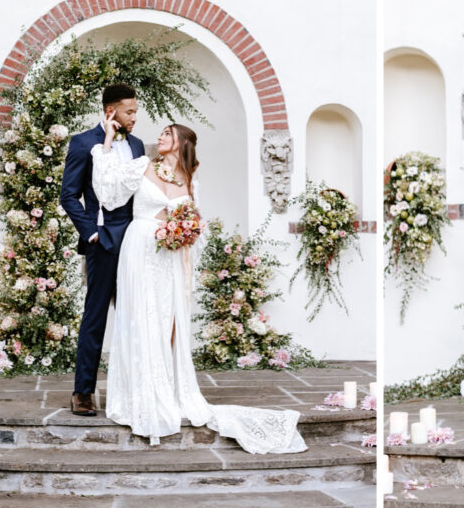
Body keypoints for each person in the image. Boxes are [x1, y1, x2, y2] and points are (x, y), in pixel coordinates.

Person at [90, 117, 306, 453]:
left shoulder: (190, 180)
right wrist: (105, 143)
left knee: (166, 321)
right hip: (140, 248)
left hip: (171, 257)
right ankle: (140, 396)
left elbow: (195, 225)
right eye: (161, 133)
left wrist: (184, 234)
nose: (160, 137)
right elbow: (109, 191)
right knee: (140, 319)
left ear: (181, 143)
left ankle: (170, 390)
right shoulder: (143, 165)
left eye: (167, 134)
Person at [60, 83, 145, 417]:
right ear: (111, 111)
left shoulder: (137, 145)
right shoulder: (83, 143)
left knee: (135, 315)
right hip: (103, 239)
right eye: (129, 111)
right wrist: (91, 233)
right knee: (95, 317)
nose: (135, 118)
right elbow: (69, 195)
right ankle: (83, 391)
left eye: (136, 111)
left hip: (135, 238)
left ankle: (134, 387)